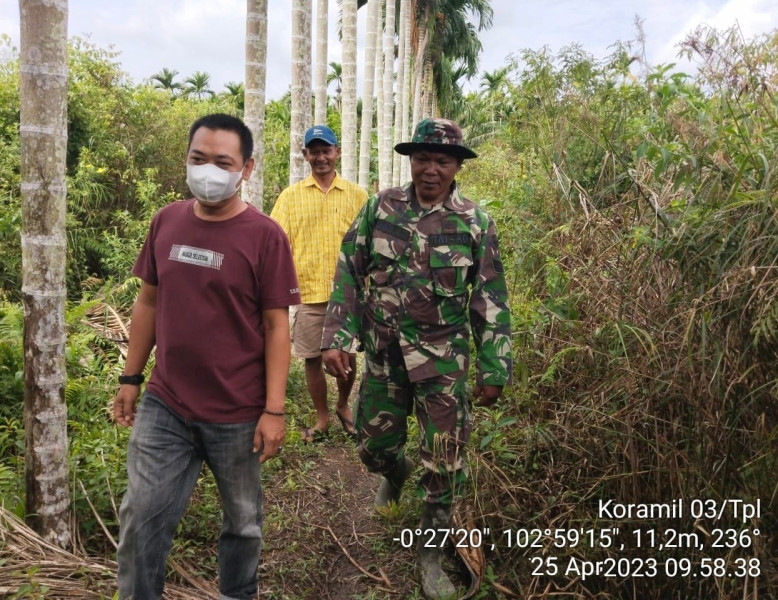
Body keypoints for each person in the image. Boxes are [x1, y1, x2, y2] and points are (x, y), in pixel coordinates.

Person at [321, 117, 512, 600]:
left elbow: (489, 299)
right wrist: (337, 334)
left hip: (444, 363)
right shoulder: (379, 210)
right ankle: (395, 470)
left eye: (442, 160)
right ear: (411, 160)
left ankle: (430, 554)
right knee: (372, 447)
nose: (431, 169)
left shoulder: (475, 222)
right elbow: (349, 269)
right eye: (423, 158)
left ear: (456, 165)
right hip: (384, 355)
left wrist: (495, 367)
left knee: (445, 462)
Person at [113, 113, 301, 600]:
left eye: (223, 162)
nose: (208, 170)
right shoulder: (167, 221)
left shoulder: (265, 236)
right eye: (199, 159)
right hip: (166, 405)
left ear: (247, 169)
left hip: (238, 413)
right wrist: (131, 377)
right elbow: (149, 302)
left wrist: (273, 410)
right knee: (140, 521)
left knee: (242, 526)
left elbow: (277, 326)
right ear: (187, 159)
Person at [270, 125, 367, 442]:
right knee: (312, 359)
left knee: (348, 356)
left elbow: (368, 245)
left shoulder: (357, 195)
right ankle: (322, 417)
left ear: (337, 152)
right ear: (305, 156)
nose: (321, 157)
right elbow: (275, 243)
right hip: (307, 292)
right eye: (315, 151)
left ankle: (342, 405)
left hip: (349, 294)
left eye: (327, 150)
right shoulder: (290, 197)